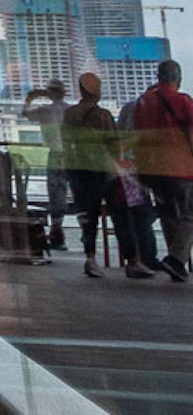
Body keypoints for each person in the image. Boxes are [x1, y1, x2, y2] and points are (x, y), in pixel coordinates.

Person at [60, 74, 142, 276]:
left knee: (88, 218)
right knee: (120, 215)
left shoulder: (69, 114)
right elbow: (114, 145)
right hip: (105, 171)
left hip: (80, 171)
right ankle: (132, 261)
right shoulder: (103, 116)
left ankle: (90, 258)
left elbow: (65, 144)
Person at [128, 58, 193, 280]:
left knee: (167, 214)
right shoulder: (183, 101)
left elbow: (137, 137)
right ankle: (175, 259)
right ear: (178, 78)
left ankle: (176, 265)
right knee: (188, 214)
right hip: (181, 167)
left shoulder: (144, 102)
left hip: (152, 170)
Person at [21, 81, 74, 250]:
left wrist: (30, 98)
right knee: (69, 193)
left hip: (54, 155)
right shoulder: (70, 110)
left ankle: (56, 232)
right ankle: (61, 231)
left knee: (55, 194)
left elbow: (25, 113)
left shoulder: (44, 110)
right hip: (71, 155)